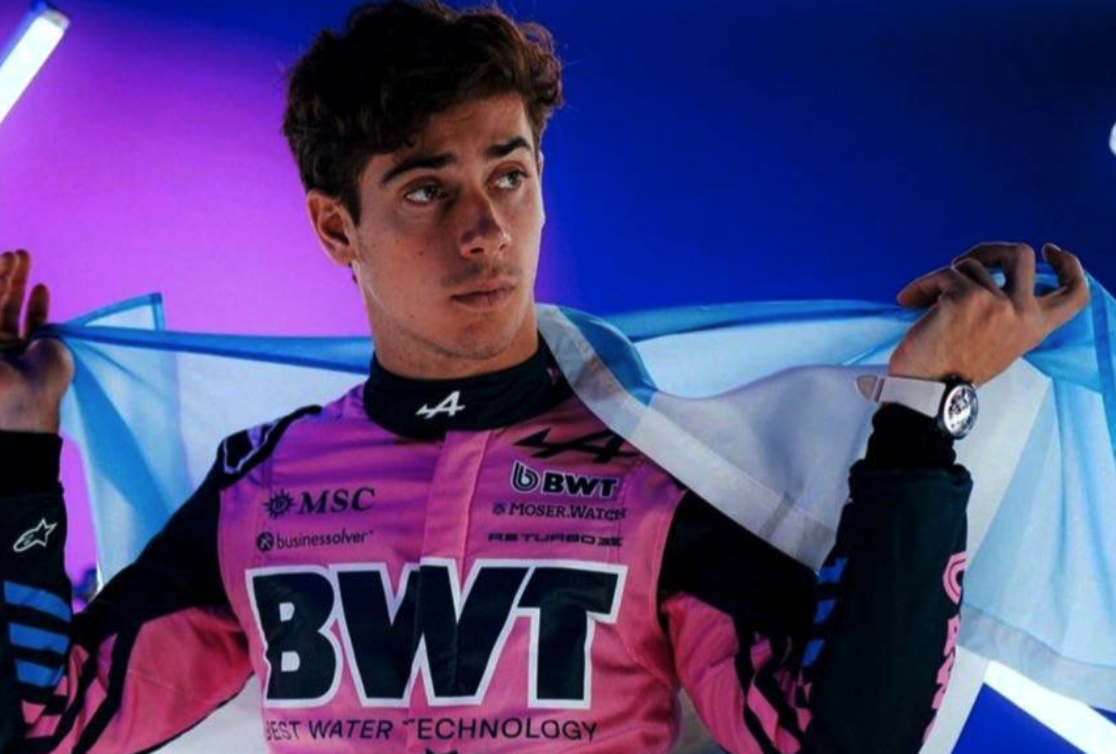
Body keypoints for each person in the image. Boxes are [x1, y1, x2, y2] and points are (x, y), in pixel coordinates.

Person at [0, 1, 1090, 753]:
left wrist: (921, 417)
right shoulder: (263, 486)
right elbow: (44, 727)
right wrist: (13, 451)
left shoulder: (663, 469)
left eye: (510, 176)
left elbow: (841, 740)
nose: (484, 230)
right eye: (426, 191)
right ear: (337, 228)